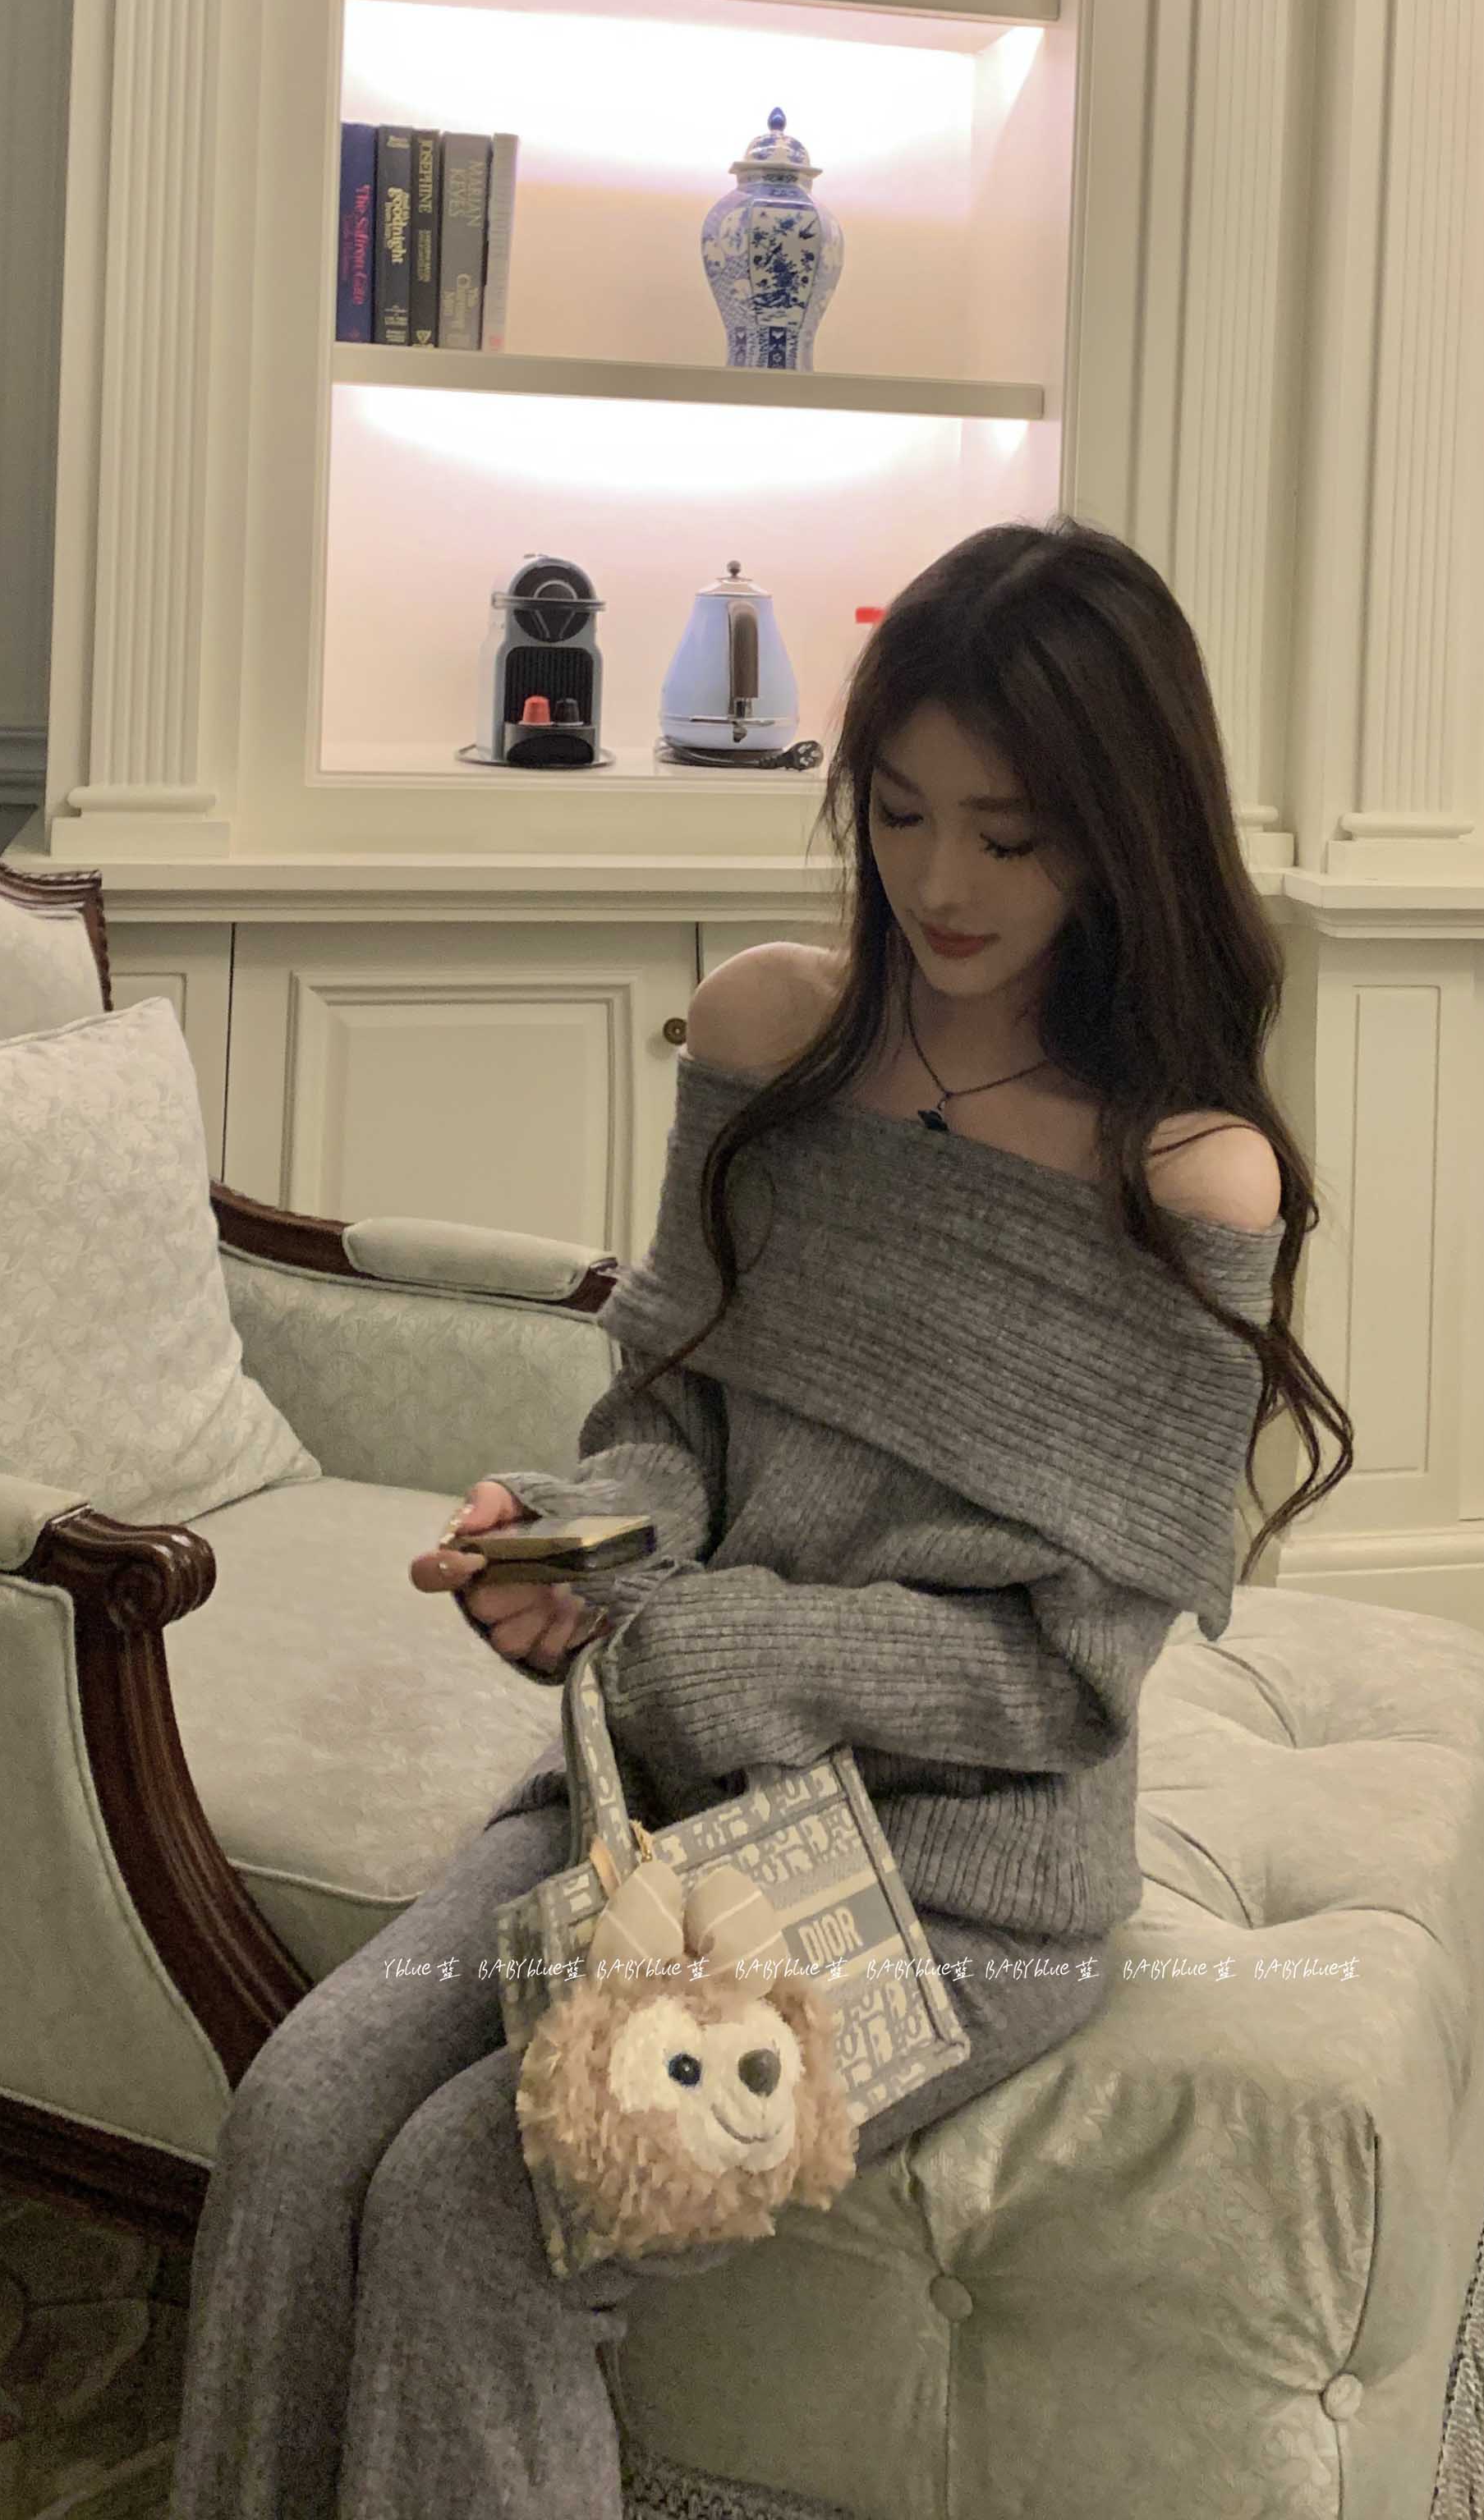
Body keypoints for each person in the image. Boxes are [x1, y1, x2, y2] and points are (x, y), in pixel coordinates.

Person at [171, 514, 1353, 2518]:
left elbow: (1065, 1679)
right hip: (654, 1803)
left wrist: (716, 1642)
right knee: (296, 2116)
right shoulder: (767, 1035)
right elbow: (671, 1423)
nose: (942, 882)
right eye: (899, 813)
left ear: (1123, 832)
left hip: (964, 1891)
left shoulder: (1188, 1181)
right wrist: (579, 1542)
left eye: (1012, 833)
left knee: (481, 2199)